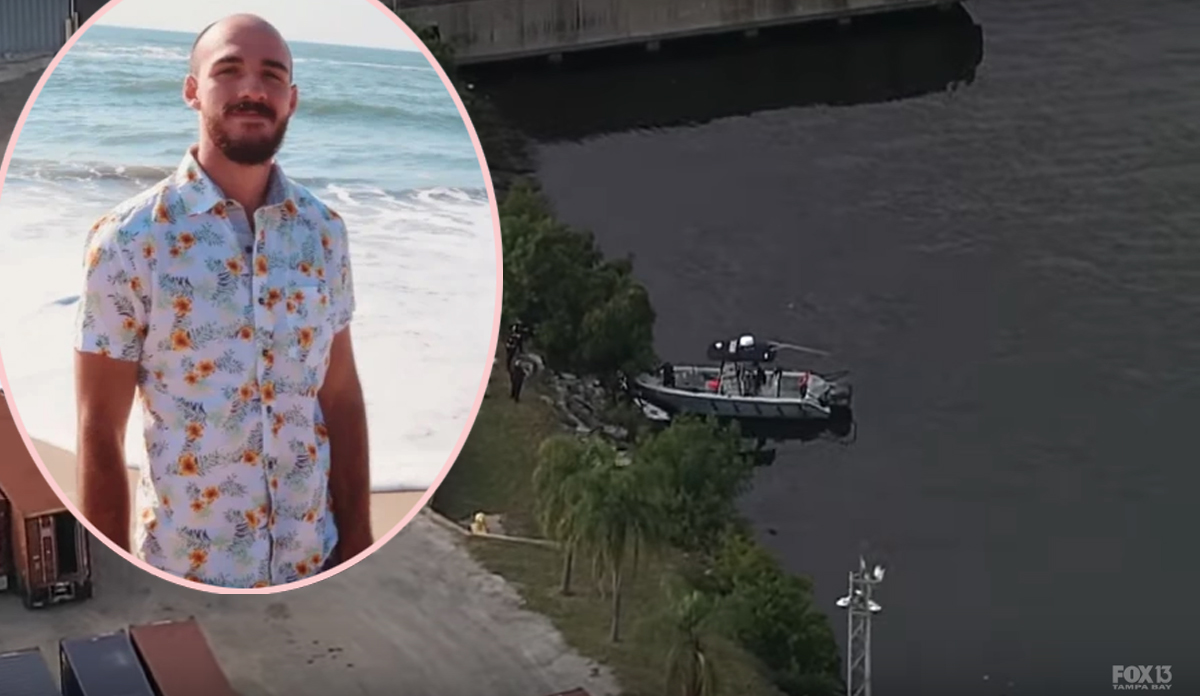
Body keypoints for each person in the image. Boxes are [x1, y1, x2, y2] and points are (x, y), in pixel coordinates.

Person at [73, 14, 372, 588]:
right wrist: (119, 585)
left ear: (291, 100)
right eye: (229, 70)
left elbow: (339, 397)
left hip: (315, 560)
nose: (252, 89)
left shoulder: (324, 232)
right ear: (192, 91)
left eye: (272, 75)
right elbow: (99, 429)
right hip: (187, 574)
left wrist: (357, 543)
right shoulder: (129, 241)